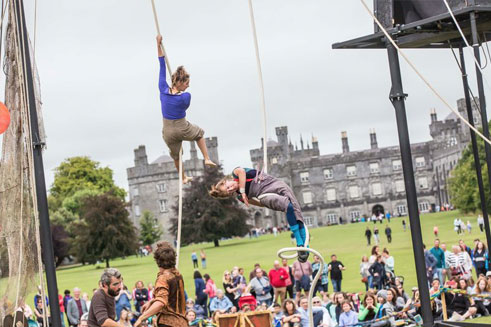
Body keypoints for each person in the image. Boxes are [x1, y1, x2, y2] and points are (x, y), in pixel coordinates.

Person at [209, 167, 309, 262]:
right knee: (288, 206)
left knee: (296, 209)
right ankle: (300, 243)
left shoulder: (235, 173)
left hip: (273, 183)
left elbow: (242, 172)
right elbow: (260, 204)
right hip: (264, 194)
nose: (230, 189)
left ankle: (306, 247)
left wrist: (243, 191)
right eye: (229, 192)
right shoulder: (240, 197)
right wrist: (274, 204)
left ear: (225, 181)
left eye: (227, 187)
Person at [155, 35, 216, 184]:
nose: (188, 86)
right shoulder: (185, 97)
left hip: (168, 131)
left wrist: (158, 45)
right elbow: (185, 105)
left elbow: (162, 65)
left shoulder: (163, 89)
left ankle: (183, 177)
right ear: (180, 82)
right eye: (186, 83)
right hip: (181, 127)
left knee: (176, 156)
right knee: (200, 134)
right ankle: (207, 158)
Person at [135, 242, 187, 327]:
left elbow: (161, 302)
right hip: (182, 322)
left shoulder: (163, 278)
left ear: (157, 261)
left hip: (169, 323)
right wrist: (152, 301)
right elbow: (169, 297)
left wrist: (141, 318)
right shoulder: (178, 274)